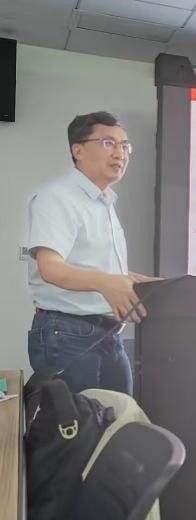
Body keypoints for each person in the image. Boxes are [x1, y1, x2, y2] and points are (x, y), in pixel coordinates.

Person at [27, 111, 155, 395]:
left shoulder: (103, 201)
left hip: (107, 333)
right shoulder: (57, 197)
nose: (120, 153)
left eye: (125, 146)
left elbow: (96, 269)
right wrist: (106, 282)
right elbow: (51, 268)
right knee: (77, 422)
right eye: (109, 143)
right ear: (78, 150)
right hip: (68, 333)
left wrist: (132, 281)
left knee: (119, 417)